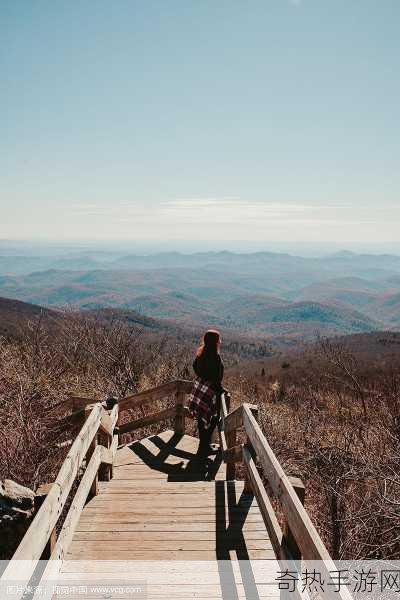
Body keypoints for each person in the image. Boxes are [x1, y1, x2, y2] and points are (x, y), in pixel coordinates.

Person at [188, 329, 225, 455]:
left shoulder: (201, 353)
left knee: (201, 417)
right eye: (219, 339)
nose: (220, 341)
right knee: (215, 417)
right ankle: (204, 446)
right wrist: (219, 388)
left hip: (199, 388)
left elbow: (194, 367)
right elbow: (218, 376)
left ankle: (203, 445)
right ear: (215, 341)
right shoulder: (216, 357)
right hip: (210, 390)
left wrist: (202, 377)